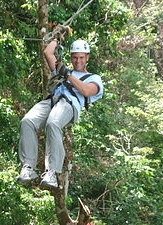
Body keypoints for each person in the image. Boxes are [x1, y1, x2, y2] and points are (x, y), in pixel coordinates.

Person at [17, 37, 104, 188]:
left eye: (81, 57)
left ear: (87, 58)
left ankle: (51, 172)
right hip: (52, 101)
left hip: (69, 105)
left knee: (53, 123)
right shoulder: (63, 70)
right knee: (27, 121)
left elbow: (86, 91)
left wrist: (67, 74)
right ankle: (28, 167)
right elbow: (48, 53)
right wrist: (58, 37)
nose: (78, 61)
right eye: (75, 57)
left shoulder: (93, 78)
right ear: (71, 57)